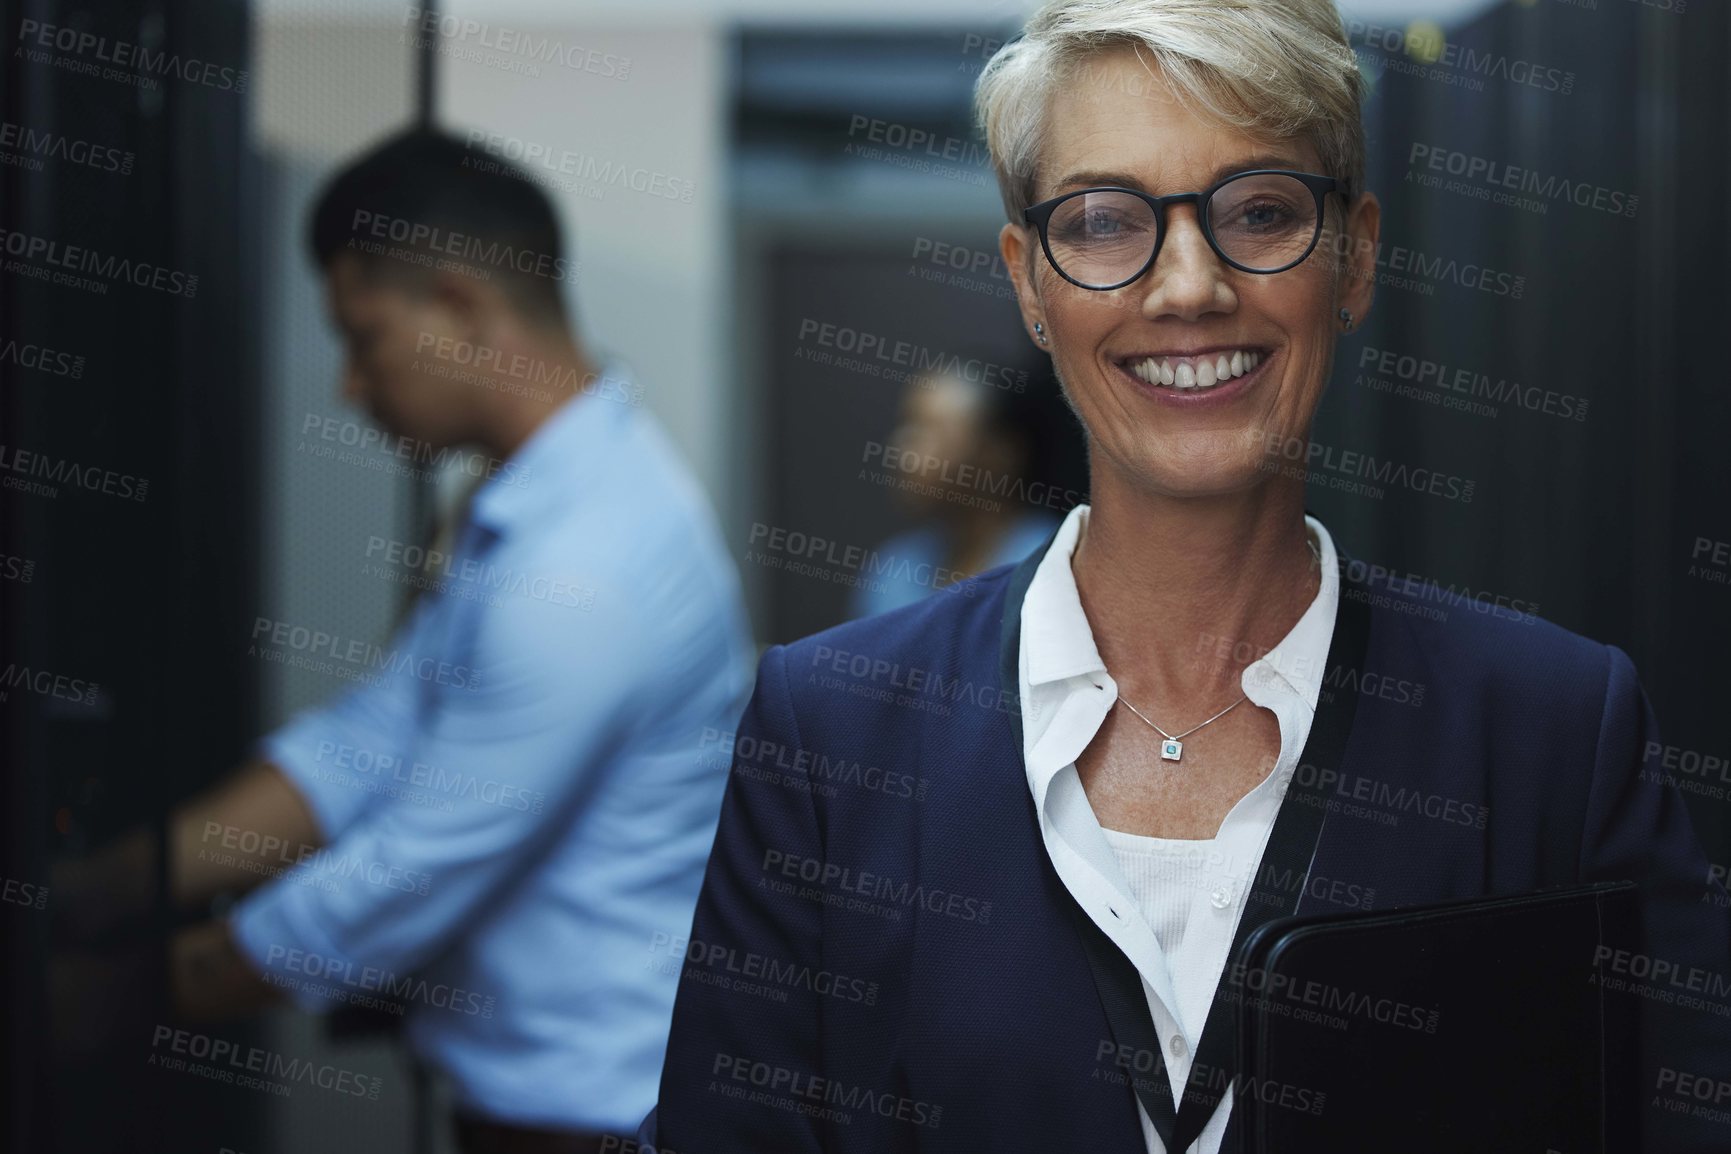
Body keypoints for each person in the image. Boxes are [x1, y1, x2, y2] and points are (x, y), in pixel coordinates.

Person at [639, 2, 1730, 1152]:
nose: (1189, 285)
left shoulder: (1553, 729)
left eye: (1260, 210)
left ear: (1355, 256)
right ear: (1030, 284)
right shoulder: (834, 734)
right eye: (1107, 222)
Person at [54, 129, 754, 1154]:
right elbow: (371, 740)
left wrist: (115, 991)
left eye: (363, 335)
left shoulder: (589, 562)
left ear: (462, 309)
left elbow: (409, 872)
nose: (349, 383)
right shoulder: (524, 504)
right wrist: (106, 884)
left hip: (600, 1122)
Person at [849, 363, 1066, 619]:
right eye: (906, 426)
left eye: (929, 430)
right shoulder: (892, 571)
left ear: (1000, 453)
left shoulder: (1053, 564)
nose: (901, 447)